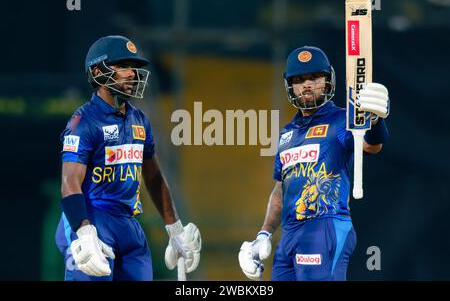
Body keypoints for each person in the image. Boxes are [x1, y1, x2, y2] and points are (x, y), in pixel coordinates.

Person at [55, 35, 201, 281]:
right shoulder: (83, 122)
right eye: (122, 66)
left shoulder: (139, 120)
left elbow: (153, 177)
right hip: (93, 218)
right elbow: (70, 183)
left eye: (133, 67)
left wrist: (175, 229)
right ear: (98, 71)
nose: (132, 73)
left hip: (129, 223)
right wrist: (84, 230)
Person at [238, 46, 389, 281]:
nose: (306, 85)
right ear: (291, 86)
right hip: (290, 234)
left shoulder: (342, 119)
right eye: (299, 79)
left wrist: (376, 120)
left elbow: (371, 145)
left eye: (314, 77)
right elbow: (280, 188)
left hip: (324, 225)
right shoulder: (287, 134)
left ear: (327, 81)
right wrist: (264, 234)